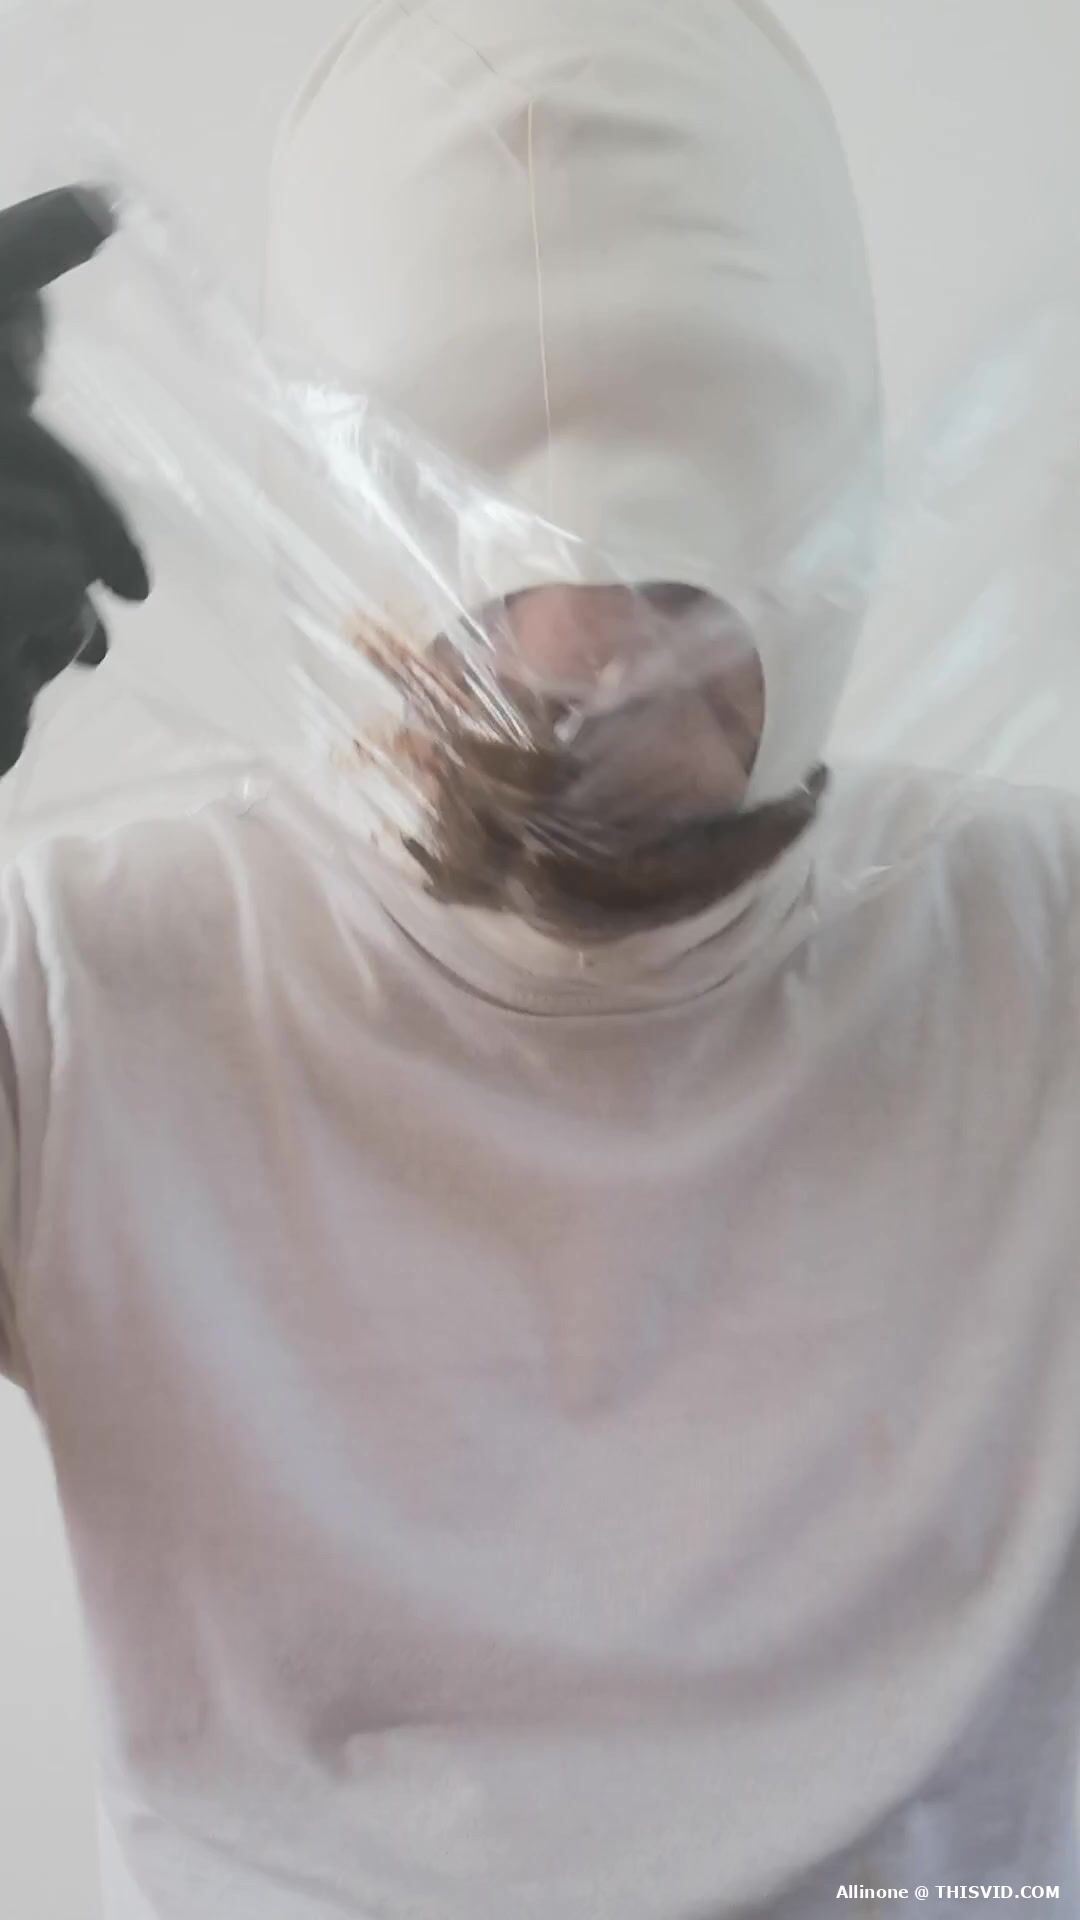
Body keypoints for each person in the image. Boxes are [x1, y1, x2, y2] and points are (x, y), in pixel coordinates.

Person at [2, 4, 1080, 1916]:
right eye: (478, 539)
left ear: (831, 473)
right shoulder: (83, 998)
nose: (590, 665)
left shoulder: (1044, 960)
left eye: (682, 558)